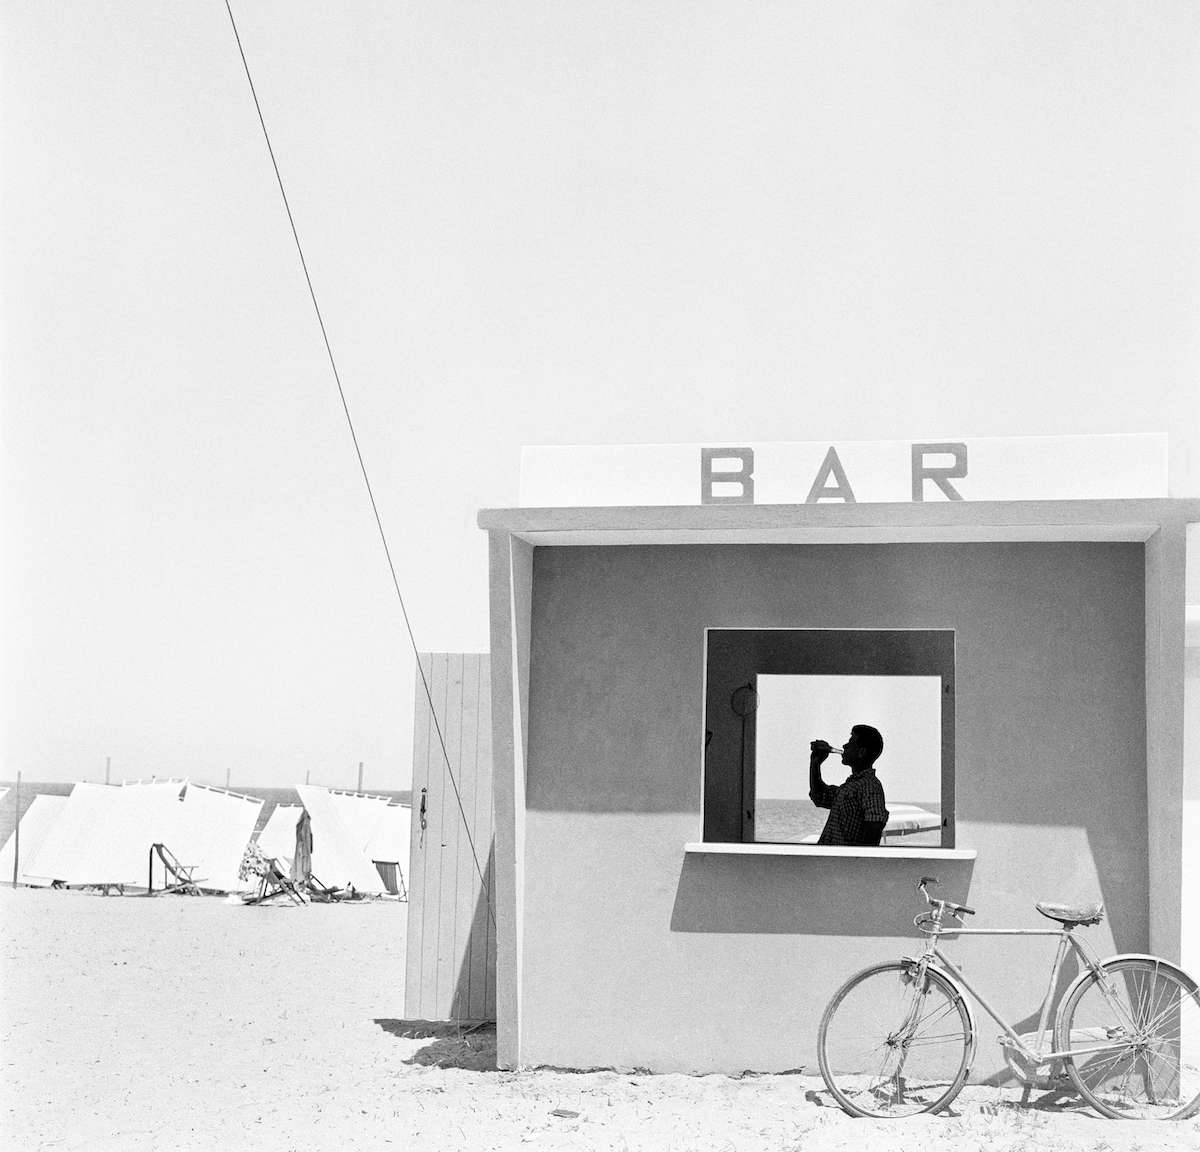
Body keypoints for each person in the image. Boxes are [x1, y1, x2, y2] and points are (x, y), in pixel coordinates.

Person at [809, 725, 889, 846]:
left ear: (861, 752)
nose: (844, 746)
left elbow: (874, 826)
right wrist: (815, 763)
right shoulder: (851, 786)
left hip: (842, 863)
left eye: (850, 743)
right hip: (836, 862)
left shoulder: (869, 786)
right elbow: (820, 796)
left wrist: (857, 860)